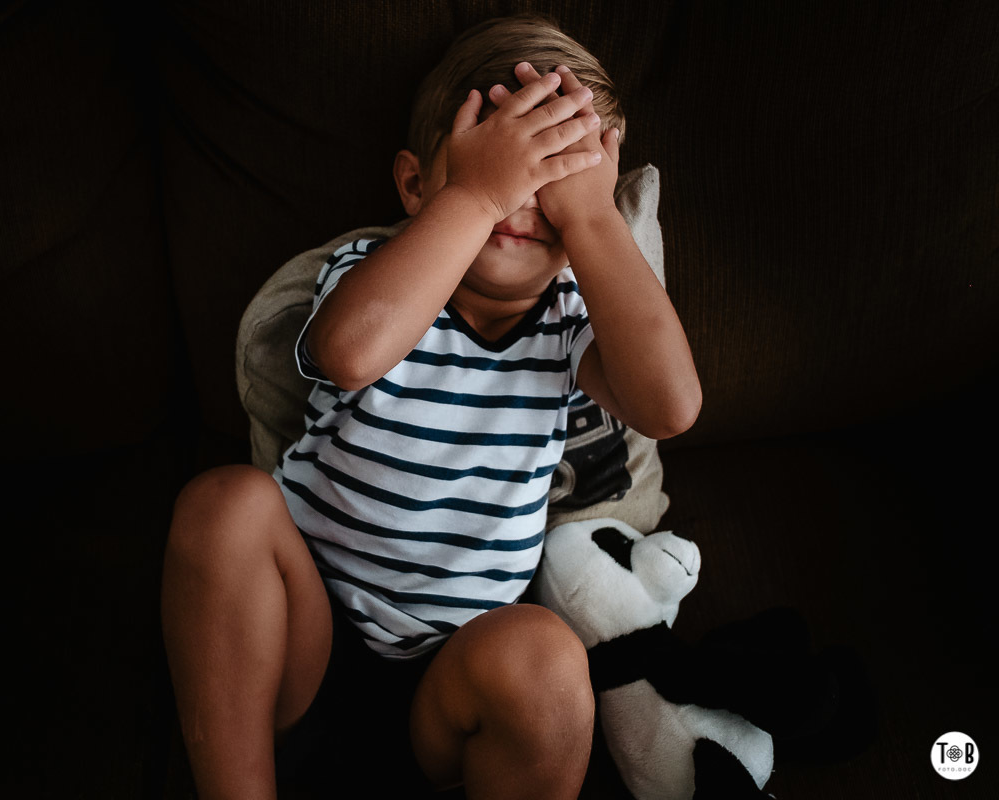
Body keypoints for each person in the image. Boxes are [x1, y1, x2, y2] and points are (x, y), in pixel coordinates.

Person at [161, 14, 701, 799]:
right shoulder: (373, 271)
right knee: (223, 505)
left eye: (553, 175)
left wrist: (591, 216)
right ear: (416, 184)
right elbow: (349, 352)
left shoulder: (571, 323)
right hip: (301, 638)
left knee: (549, 662)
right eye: (503, 161)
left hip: (458, 682)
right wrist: (481, 194)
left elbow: (671, 405)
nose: (525, 196)